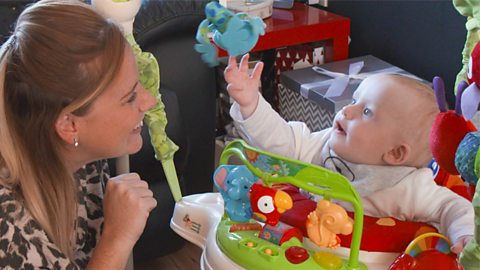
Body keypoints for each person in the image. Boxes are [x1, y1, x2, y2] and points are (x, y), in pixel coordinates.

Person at [224, 54, 474, 254]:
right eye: (354, 100)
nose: (347, 110)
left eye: (367, 112)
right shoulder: (322, 144)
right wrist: (251, 104)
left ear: (395, 153)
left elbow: (450, 206)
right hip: (302, 247)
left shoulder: (405, 186)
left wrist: (464, 235)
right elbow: (280, 141)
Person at [0, 0, 158, 269]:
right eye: (130, 97)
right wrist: (116, 240)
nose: (149, 101)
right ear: (69, 125)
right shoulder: (8, 230)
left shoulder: (83, 162)